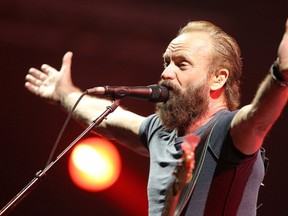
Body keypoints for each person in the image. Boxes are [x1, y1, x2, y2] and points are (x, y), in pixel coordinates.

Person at [25, 19, 288, 216]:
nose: (166, 73)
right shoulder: (160, 132)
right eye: (166, 62)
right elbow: (105, 120)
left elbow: (258, 117)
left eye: (181, 64)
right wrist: (65, 94)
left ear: (218, 77)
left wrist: (280, 76)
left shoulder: (227, 131)